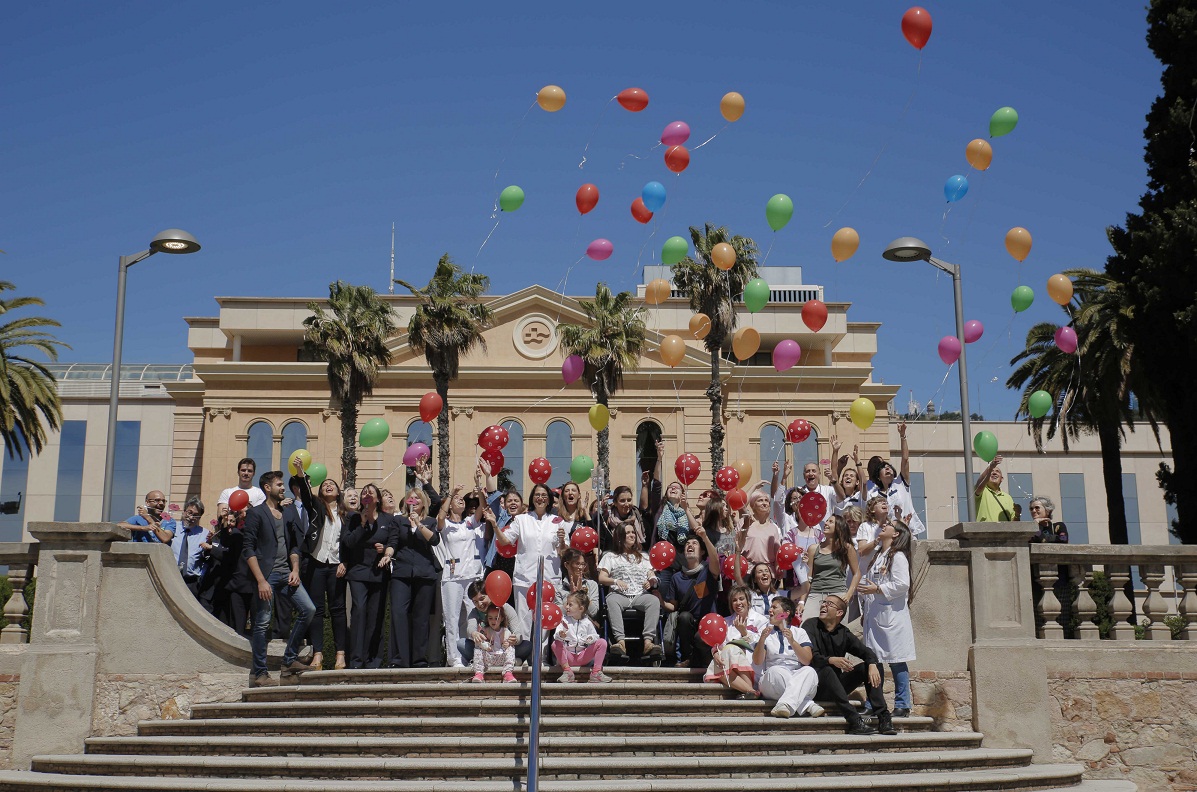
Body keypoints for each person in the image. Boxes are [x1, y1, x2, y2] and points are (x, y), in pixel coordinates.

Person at [242, 470, 315, 687]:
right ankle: (259, 674)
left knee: (308, 609)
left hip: (287, 574)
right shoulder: (256, 513)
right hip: (266, 576)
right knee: (263, 623)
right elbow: (248, 549)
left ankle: (289, 660)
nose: (283, 488)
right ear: (267, 487)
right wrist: (261, 581)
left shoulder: (288, 513)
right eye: (280, 485)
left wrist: (295, 570)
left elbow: (294, 545)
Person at [802, 593, 893, 736]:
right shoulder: (810, 625)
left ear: (839, 613)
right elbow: (810, 658)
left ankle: (883, 717)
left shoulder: (843, 632)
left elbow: (867, 652)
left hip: (837, 687)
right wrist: (831, 660)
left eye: (829, 604)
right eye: (823, 602)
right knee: (826, 670)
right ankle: (854, 720)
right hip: (816, 687)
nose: (824, 605)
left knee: (873, 665)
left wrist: (872, 663)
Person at [857, 520, 916, 719]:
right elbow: (869, 583)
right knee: (874, 662)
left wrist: (878, 589)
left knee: (897, 661)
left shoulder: (898, 557)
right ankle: (873, 703)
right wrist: (865, 606)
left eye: (889, 524)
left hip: (892, 617)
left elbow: (902, 584)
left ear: (896, 534)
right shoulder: (878, 556)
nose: (884, 525)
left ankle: (902, 704)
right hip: (874, 615)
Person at [497, 483, 565, 637]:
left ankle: (542, 653)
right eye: (537, 495)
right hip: (524, 577)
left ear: (548, 500)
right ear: (532, 498)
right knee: (524, 620)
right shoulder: (521, 520)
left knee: (546, 619)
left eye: (543, 495)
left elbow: (563, 551)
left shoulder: (557, 521)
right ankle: (525, 654)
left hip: (549, 576)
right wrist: (495, 526)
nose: (540, 498)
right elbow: (505, 541)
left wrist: (561, 541)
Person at [388, 486, 441, 668]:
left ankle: (419, 659)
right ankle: (399, 659)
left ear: (423, 502)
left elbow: (434, 540)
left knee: (421, 617)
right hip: (401, 572)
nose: (414, 501)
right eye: (411, 498)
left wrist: (418, 523)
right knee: (398, 613)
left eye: (417, 499)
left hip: (424, 573)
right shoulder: (398, 521)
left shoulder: (430, 521)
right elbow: (393, 541)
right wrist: (387, 554)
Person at [341, 483, 391, 669]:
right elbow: (348, 542)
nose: (367, 494)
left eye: (371, 492)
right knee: (359, 612)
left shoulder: (387, 518)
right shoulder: (353, 518)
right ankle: (356, 660)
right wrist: (362, 523)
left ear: (377, 498)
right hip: (358, 573)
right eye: (364, 493)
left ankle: (374, 660)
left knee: (376, 616)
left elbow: (393, 541)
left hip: (379, 573)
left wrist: (385, 549)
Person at [438, 483, 488, 668]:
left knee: (473, 617)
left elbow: (482, 509)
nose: (460, 500)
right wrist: (452, 493)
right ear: (450, 504)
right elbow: (440, 517)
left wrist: (480, 491)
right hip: (452, 577)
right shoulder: (446, 525)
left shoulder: (470, 522)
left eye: (461, 499)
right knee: (451, 618)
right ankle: (453, 657)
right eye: (456, 500)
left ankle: (471, 654)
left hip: (472, 574)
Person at [597, 523, 662, 660]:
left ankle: (648, 643)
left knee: (654, 601)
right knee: (611, 600)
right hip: (619, 594)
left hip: (640, 594)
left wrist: (651, 581)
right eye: (628, 533)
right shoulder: (611, 556)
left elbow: (652, 574)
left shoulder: (644, 556)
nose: (632, 535)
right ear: (620, 537)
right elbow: (602, 578)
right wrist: (615, 581)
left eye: (633, 532)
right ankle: (620, 642)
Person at [303, 478, 348, 671]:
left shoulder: (347, 514)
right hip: (317, 562)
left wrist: (345, 562)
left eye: (332, 484)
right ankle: (318, 654)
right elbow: (306, 495)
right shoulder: (317, 507)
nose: (328, 486)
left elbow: (351, 543)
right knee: (317, 610)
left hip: (337, 565)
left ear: (339, 491)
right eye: (324, 485)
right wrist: (300, 473)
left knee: (338, 610)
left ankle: (340, 655)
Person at [752, 597, 821, 719]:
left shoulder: (800, 632)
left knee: (809, 671)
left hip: (796, 675)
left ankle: (785, 705)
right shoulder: (765, 633)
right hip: (772, 680)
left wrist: (792, 641)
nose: (770, 610)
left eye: (774, 607)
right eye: (771, 607)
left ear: (786, 613)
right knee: (777, 671)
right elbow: (757, 661)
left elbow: (806, 660)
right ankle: (807, 704)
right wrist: (762, 639)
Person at [664, 527, 720, 669]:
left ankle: (707, 661)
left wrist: (704, 537)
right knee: (683, 617)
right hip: (688, 623)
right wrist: (658, 599)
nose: (690, 545)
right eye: (688, 544)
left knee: (699, 638)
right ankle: (686, 658)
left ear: (702, 552)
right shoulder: (677, 577)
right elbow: (673, 606)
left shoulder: (708, 570)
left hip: (707, 624)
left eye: (695, 543)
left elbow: (715, 560)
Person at [865, 420, 926, 538]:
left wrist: (902, 436)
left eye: (889, 467)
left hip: (908, 532)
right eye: (884, 468)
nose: (888, 469)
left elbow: (905, 459)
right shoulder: (873, 494)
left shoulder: (901, 483)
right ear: (878, 475)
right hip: (886, 535)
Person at [705, 584, 768, 697]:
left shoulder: (761, 620)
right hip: (729, 667)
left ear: (748, 601)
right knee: (718, 663)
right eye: (734, 600)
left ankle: (749, 689)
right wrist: (715, 653)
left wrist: (744, 632)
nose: (738, 603)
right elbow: (719, 644)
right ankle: (751, 692)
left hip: (752, 665)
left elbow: (761, 646)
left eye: (741, 599)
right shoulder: (725, 622)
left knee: (731, 648)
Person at [796, 514, 861, 623]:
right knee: (806, 630)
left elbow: (857, 573)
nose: (826, 523)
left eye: (831, 522)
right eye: (826, 521)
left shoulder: (847, 548)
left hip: (838, 595)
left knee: (835, 635)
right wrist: (802, 602)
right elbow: (808, 578)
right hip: (815, 594)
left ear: (838, 527)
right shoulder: (813, 548)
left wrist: (849, 595)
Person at [200, 509, 249, 633]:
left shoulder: (238, 537)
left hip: (226, 588)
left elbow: (229, 556)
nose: (230, 524)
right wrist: (209, 544)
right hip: (210, 588)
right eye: (226, 521)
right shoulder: (216, 536)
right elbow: (205, 558)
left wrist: (213, 548)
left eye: (232, 521)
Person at [460, 581, 531, 667]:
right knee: (461, 643)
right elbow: (470, 628)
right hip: (486, 650)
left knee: (527, 645)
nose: (479, 604)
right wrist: (474, 633)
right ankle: (512, 662)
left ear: (490, 594)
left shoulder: (505, 607)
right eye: (475, 602)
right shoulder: (474, 612)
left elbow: (518, 634)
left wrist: (515, 640)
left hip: (505, 649)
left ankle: (505, 661)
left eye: (482, 599)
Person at [552, 591, 611, 683]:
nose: (566, 607)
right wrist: (560, 635)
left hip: (583, 657)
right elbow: (556, 636)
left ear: (580, 608)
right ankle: (567, 672)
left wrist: (591, 638)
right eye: (567, 604)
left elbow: (595, 636)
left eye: (570, 605)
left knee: (602, 642)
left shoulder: (587, 622)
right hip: (568, 657)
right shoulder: (563, 620)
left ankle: (596, 672)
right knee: (555, 644)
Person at [737, 489, 781, 577]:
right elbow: (737, 545)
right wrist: (745, 527)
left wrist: (778, 572)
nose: (764, 503)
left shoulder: (773, 527)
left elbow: (777, 553)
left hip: (768, 573)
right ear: (753, 505)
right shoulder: (743, 522)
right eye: (760, 500)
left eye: (766, 501)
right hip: (748, 571)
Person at [169, 497, 208, 597]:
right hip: (171, 578)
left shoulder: (205, 534)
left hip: (192, 583)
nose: (191, 517)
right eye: (189, 513)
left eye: (195, 515)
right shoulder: (172, 528)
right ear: (184, 512)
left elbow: (207, 558)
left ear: (199, 518)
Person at [470, 606, 518, 683]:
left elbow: (509, 642)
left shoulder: (506, 631)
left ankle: (507, 673)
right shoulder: (485, 630)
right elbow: (479, 642)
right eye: (490, 618)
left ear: (502, 619)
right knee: (478, 649)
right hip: (488, 657)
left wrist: (507, 643)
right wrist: (484, 645)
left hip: (501, 657)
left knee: (511, 648)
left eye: (496, 618)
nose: (493, 621)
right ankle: (479, 673)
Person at [974, 454, 1015, 522]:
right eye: (992, 472)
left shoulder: (1008, 497)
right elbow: (980, 482)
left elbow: (1013, 520)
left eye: (997, 471)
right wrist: (990, 467)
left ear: (1001, 479)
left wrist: (1017, 515)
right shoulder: (982, 491)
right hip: (985, 531)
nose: (994, 473)